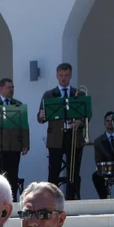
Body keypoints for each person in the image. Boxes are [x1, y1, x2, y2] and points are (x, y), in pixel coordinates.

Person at [38, 63, 85, 201]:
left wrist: (79, 122)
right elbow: (40, 118)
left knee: (74, 171)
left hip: (74, 135)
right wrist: (42, 116)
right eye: (61, 76)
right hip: (56, 137)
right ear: (57, 76)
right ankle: (52, 200)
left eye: (66, 75)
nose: (63, 79)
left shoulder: (78, 93)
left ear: (70, 75)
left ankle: (72, 199)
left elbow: (86, 115)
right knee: (54, 171)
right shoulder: (49, 95)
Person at [0, 77, 29, 198]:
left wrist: (25, 144)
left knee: (13, 174)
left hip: (14, 145)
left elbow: (24, 126)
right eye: (9, 88)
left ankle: (12, 199)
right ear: (1, 88)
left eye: (12, 87)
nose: (11, 90)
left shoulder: (17, 104)